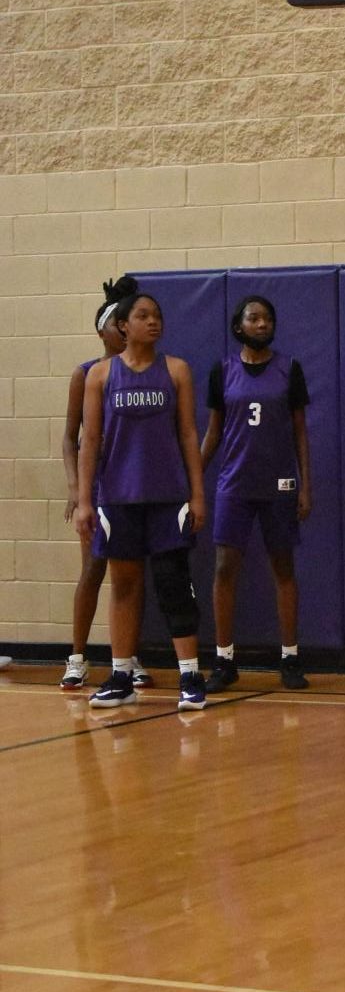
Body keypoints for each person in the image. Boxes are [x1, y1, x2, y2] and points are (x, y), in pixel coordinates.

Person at [73, 282, 207, 712]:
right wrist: (84, 501)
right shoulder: (100, 375)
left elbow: (189, 434)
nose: (153, 321)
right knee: (125, 585)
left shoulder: (177, 370)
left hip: (169, 496)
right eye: (143, 316)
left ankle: (190, 675)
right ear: (122, 326)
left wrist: (198, 495)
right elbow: (90, 440)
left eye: (157, 316)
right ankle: (120, 675)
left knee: (173, 583)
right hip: (118, 497)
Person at [200, 296, 312, 693]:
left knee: (283, 570)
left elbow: (300, 431)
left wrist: (305, 485)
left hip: (279, 484)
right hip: (234, 484)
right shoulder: (223, 371)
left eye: (267, 317)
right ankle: (224, 660)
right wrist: (195, 478)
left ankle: (290, 657)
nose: (262, 323)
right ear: (239, 326)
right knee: (224, 570)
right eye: (254, 317)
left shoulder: (289, 370)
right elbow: (214, 432)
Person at [59, 277, 153, 692]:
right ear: (106, 330)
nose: (123, 329)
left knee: (130, 573)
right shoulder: (87, 374)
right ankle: (77, 657)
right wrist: (75, 488)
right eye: (118, 323)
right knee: (93, 570)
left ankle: (127, 658)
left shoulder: (149, 372)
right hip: (96, 486)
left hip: (130, 484)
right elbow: (70, 437)